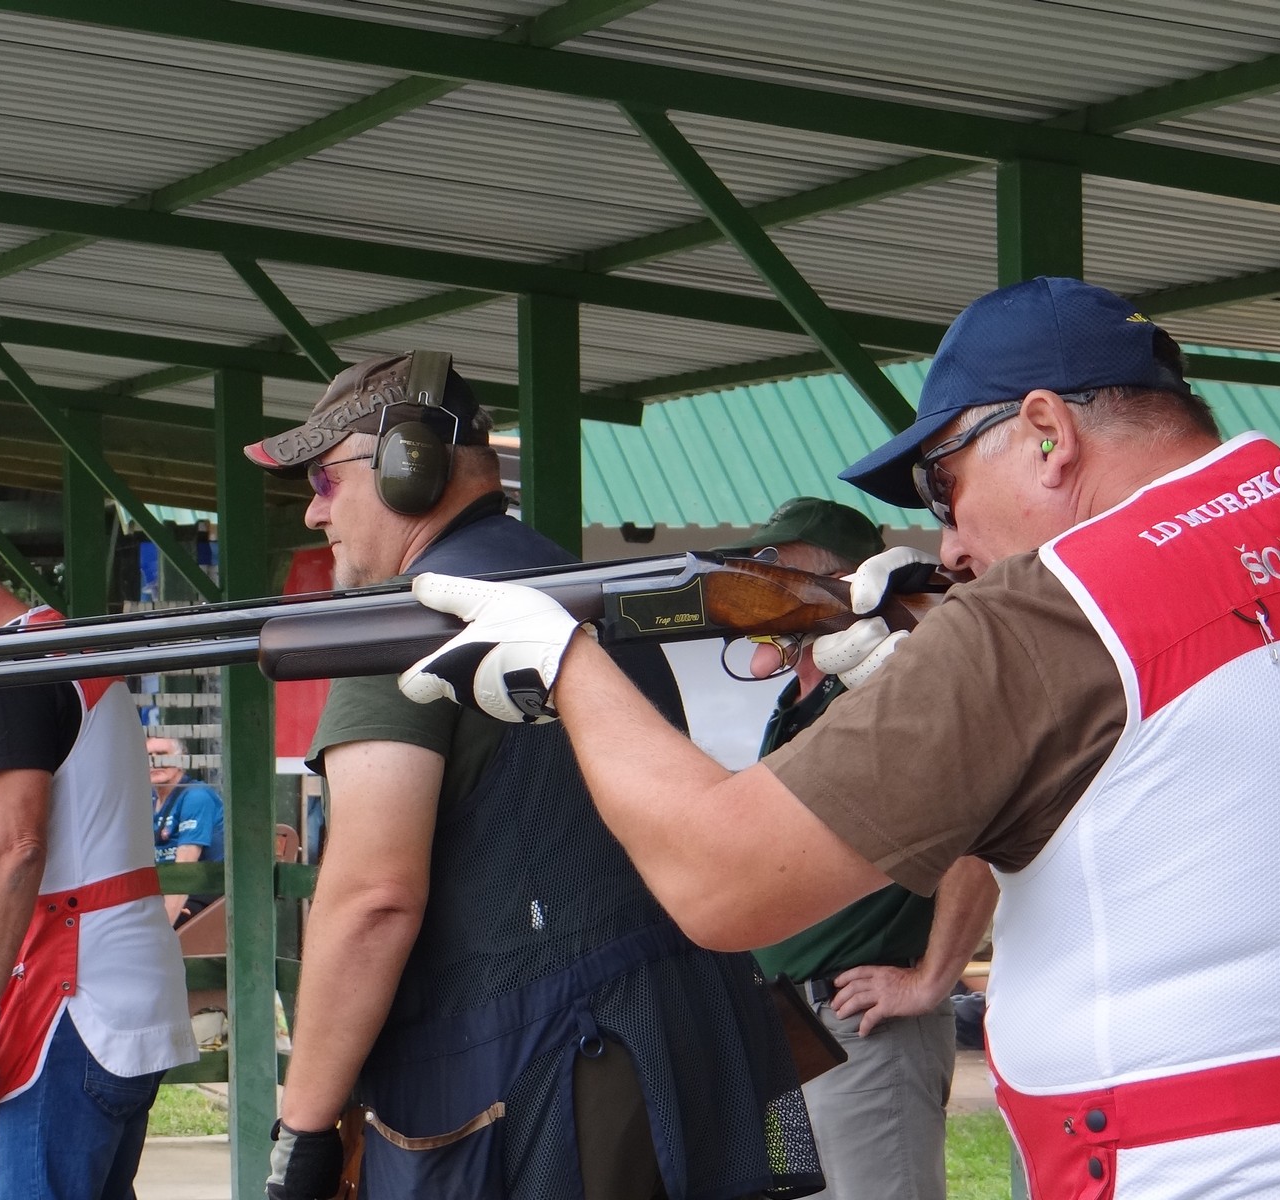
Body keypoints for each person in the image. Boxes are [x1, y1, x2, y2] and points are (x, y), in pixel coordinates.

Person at [397, 277, 1280, 1196]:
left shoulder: (1051, 614)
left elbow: (723, 881)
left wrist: (566, 662)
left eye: (944, 484)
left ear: (1045, 433)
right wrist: (926, 668)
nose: (950, 542)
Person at [245, 351, 819, 1200]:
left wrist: (301, 1132)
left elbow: (372, 898)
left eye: (327, 480)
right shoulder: (584, 593)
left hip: (543, 1089)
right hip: (676, 1056)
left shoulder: (407, 622)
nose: (314, 508)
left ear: (408, 466)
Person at [0, 530, 197, 1200]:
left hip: (71, 1006)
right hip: (105, 997)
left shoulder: (9, 671)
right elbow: (55, 861)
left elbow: (17, 849)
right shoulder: (55, 648)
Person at [719, 497, 997, 1200]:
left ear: (839, 583)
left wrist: (932, 979)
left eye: (775, 566)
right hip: (791, 1027)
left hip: (862, 1022)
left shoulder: (886, 691)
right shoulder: (803, 700)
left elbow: (980, 829)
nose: (754, 581)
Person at [147, 735, 225, 926]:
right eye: (148, 756)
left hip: (205, 896)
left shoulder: (196, 796)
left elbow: (185, 869)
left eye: (162, 754)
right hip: (165, 891)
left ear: (181, 761)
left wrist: (163, 928)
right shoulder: (149, 799)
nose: (155, 761)